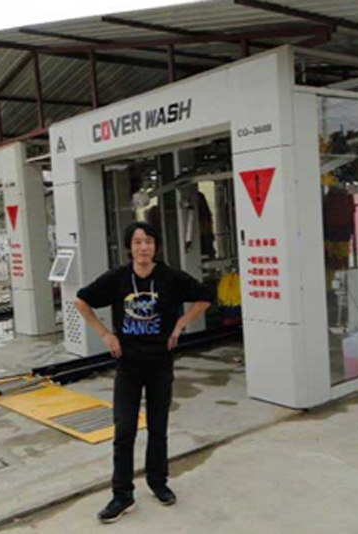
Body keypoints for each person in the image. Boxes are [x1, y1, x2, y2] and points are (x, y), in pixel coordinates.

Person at [74, 221, 213, 524]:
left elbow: (205, 297)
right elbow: (81, 300)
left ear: (156, 246)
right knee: (124, 430)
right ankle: (122, 495)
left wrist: (180, 324)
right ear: (130, 247)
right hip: (128, 364)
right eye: (137, 242)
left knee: (157, 427)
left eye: (148, 241)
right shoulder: (118, 279)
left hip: (160, 363)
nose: (143, 247)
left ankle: (158, 482)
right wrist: (105, 334)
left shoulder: (170, 277)